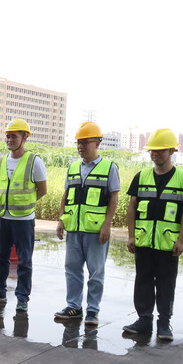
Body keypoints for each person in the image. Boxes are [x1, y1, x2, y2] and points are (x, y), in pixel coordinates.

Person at [123, 128, 183, 340]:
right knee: (143, 281)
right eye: (152, 151)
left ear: (172, 151)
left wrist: (181, 240)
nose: (155, 154)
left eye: (160, 151)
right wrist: (130, 236)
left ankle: (164, 323)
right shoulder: (141, 176)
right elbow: (131, 208)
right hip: (144, 241)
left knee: (166, 283)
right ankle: (144, 320)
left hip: (168, 244)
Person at [54, 122, 120, 325]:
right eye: (78, 143)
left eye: (85, 142)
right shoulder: (73, 167)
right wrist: (61, 220)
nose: (80, 146)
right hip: (74, 229)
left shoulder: (109, 168)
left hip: (95, 230)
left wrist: (107, 225)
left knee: (96, 272)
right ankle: (74, 307)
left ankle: (92, 310)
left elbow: (114, 198)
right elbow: (67, 195)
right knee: (72, 269)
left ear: (97, 143)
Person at [0, 118, 48, 311]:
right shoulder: (2, 161)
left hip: (23, 219)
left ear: (25, 137)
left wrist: (25, 204)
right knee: (0, 257)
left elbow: (42, 190)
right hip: (3, 216)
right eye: (8, 136)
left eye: (14, 136)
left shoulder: (34, 161)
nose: (9, 140)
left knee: (24, 260)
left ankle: (22, 298)